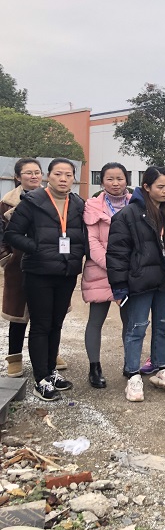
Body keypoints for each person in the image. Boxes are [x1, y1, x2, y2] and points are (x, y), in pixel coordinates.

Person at [4, 158, 86, 401]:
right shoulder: (32, 201)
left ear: (73, 178)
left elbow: (84, 234)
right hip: (38, 272)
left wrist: (78, 254)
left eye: (68, 175)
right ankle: (41, 378)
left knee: (56, 324)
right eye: (58, 174)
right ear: (48, 176)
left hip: (66, 272)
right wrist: (37, 247)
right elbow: (12, 234)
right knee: (41, 325)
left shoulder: (78, 203)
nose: (63, 179)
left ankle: (50, 371)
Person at [107, 166, 165, 402]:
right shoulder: (128, 215)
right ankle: (133, 374)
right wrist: (119, 287)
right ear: (146, 187)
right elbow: (117, 254)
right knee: (137, 327)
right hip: (140, 281)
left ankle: (161, 368)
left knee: (163, 325)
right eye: (160, 187)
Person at [1, 158, 56, 378]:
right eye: (28, 173)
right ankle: (14, 357)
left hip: (49, 262)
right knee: (19, 315)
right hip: (19, 265)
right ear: (17, 177)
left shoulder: (54, 198)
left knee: (49, 313)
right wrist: (7, 257)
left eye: (37, 172)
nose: (34, 176)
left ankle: (52, 354)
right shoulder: (7, 203)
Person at [81, 162, 131, 388]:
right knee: (96, 320)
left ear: (127, 180)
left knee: (130, 321)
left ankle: (130, 364)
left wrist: (127, 268)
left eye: (119, 178)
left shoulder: (136, 203)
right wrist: (112, 267)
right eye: (110, 179)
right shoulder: (92, 206)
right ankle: (94, 368)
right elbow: (92, 241)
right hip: (100, 271)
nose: (115, 183)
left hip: (129, 272)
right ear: (101, 182)